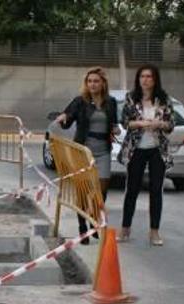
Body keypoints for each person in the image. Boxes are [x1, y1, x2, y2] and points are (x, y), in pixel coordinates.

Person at [52, 67, 119, 244]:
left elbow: (113, 122)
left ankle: (93, 218)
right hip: (82, 151)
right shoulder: (80, 101)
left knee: (101, 190)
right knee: (83, 191)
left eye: (96, 81)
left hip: (103, 151)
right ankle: (83, 229)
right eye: (89, 81)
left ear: (103, 83)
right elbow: (68, 117)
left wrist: (115, 128)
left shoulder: (110, 102)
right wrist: (63, 118)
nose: (92, 84)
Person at [118, 64, 174, 246]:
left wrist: (160, 124)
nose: (145, 80)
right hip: (136, 148)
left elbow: (171, 124)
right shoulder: (131, 98)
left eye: (149, 76)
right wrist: (141, 123)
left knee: (156, 190)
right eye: (142, 76)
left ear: (155, 79)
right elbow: (125, 122)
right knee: (132, 189)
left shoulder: (164, 99)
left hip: (157, 149)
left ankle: (154, 232)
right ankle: (125, 228)